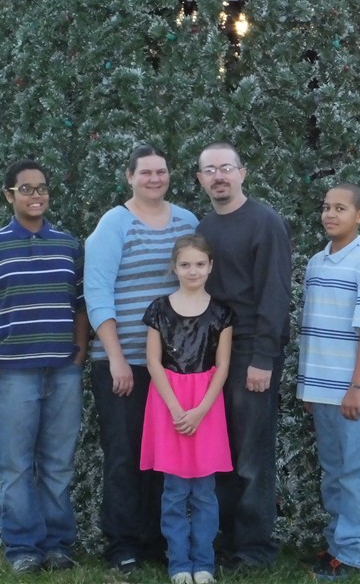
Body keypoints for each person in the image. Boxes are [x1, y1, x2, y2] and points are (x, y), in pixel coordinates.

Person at [0, 159, 89, 575]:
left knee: (59, 464)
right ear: (9, 195)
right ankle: (23, 548)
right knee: (16, 466)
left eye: (41, 188)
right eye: (25, 189)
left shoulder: (68, 245)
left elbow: (82, 304)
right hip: (12, 374)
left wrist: (80, 349)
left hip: (63, 371)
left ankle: (58, 545)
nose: (36, 195)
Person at [85, 144, 199, 573]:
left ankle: (157, 540)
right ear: (129, 177)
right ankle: (123, 545)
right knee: (125, 454)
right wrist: (115, 358)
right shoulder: (114, 225)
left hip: (173, 367)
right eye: (145, 172)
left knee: (164, 455)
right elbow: (97, 293)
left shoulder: (187, 221)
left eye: (161, 172)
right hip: (124, 362)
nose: (154, 179)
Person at [195, 141, 292, 570]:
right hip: (211, 354)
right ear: (200, 179)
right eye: (210, 170)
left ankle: (254, 549)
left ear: (242, 173)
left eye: (226, 168)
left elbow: (276, 292)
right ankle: (223, 541)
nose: (218, 176)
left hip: (252, 351)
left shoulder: (265, 222)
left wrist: (264, 358)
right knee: (219, 452)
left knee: (252, 456)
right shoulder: (204, 228)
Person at [296, 183, 360, 580]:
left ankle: (358, 555)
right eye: (326, 207)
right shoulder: (317, 263)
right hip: (323, 391)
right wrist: (308, 387)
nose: (330, 214)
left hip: (355, 394)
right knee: (334, 472)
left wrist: (357, 388)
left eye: (340, 208)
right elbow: (312, 329)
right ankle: (339, 545)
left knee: (359, 474)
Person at [141, 235, 235, 584]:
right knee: (175, 491)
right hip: (168, 404)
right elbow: (153, 361)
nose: (192, 270)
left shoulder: (222, 313)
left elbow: (222, 366)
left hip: (206, 405)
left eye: (199, 264)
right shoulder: (158, 309)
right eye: (185, 264)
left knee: (205, 492)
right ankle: (179, 562)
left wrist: (200, 411)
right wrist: (175, 408)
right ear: (174, 267)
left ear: (210, 266)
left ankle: (204, 563)